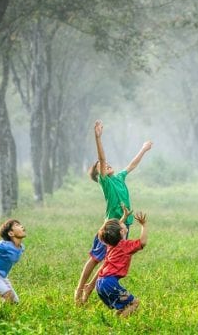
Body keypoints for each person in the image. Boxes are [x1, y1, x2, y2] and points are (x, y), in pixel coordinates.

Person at [74, 120, 152, 305]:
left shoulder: (118, 177)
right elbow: (101, 158)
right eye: (102, 166)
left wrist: (143, 149)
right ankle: (79, 289)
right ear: (98, 174)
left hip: (125, 225)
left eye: (107, 164)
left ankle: (91, 287)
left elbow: (132, 165)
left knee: (112, 258)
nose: (106, 164)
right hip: (111, 227)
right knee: (95, 258)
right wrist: (98, 138)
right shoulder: (106, 182)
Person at [96, 210, 148, 317]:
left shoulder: (111, 244)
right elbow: (142, 242)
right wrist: (143, 225)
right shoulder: (125, 246)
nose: (124, 224)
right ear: (122, 232)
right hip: (109, 283)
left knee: (124, 306)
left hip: (100, 283)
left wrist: (124, 217)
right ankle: (121, 325)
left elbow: (113, 230)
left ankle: (115, 323)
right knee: (134, 302)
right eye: (123, 224)